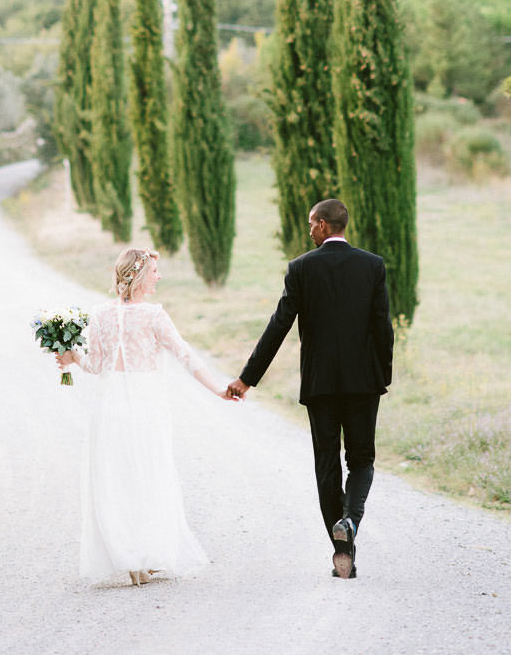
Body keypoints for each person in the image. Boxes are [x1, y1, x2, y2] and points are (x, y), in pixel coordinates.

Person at [226, 199, 394, 580]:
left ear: (322, 225)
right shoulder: (372, 265)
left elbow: (278, 326)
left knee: (326, 465)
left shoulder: (301, 268)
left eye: (310, 224)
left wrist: (247, 378)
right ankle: (350, 520)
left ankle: (342, 550)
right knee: (362, 460)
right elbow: (383, 327)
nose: (308, 231)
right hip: (364, 384)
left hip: (320, 384)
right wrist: (381, 376)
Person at [56, 246, 229, 586]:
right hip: (144, 403)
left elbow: (94, 365)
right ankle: (145, 554)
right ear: (136, 277)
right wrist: (218, 389)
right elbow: (185, 356)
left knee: (116, 477)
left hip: (109, 405)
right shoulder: (154, 315)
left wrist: (71, 357)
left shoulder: (100, 314)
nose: (159, 277)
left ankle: (130, 558)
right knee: (148, 472)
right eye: (154, 272)